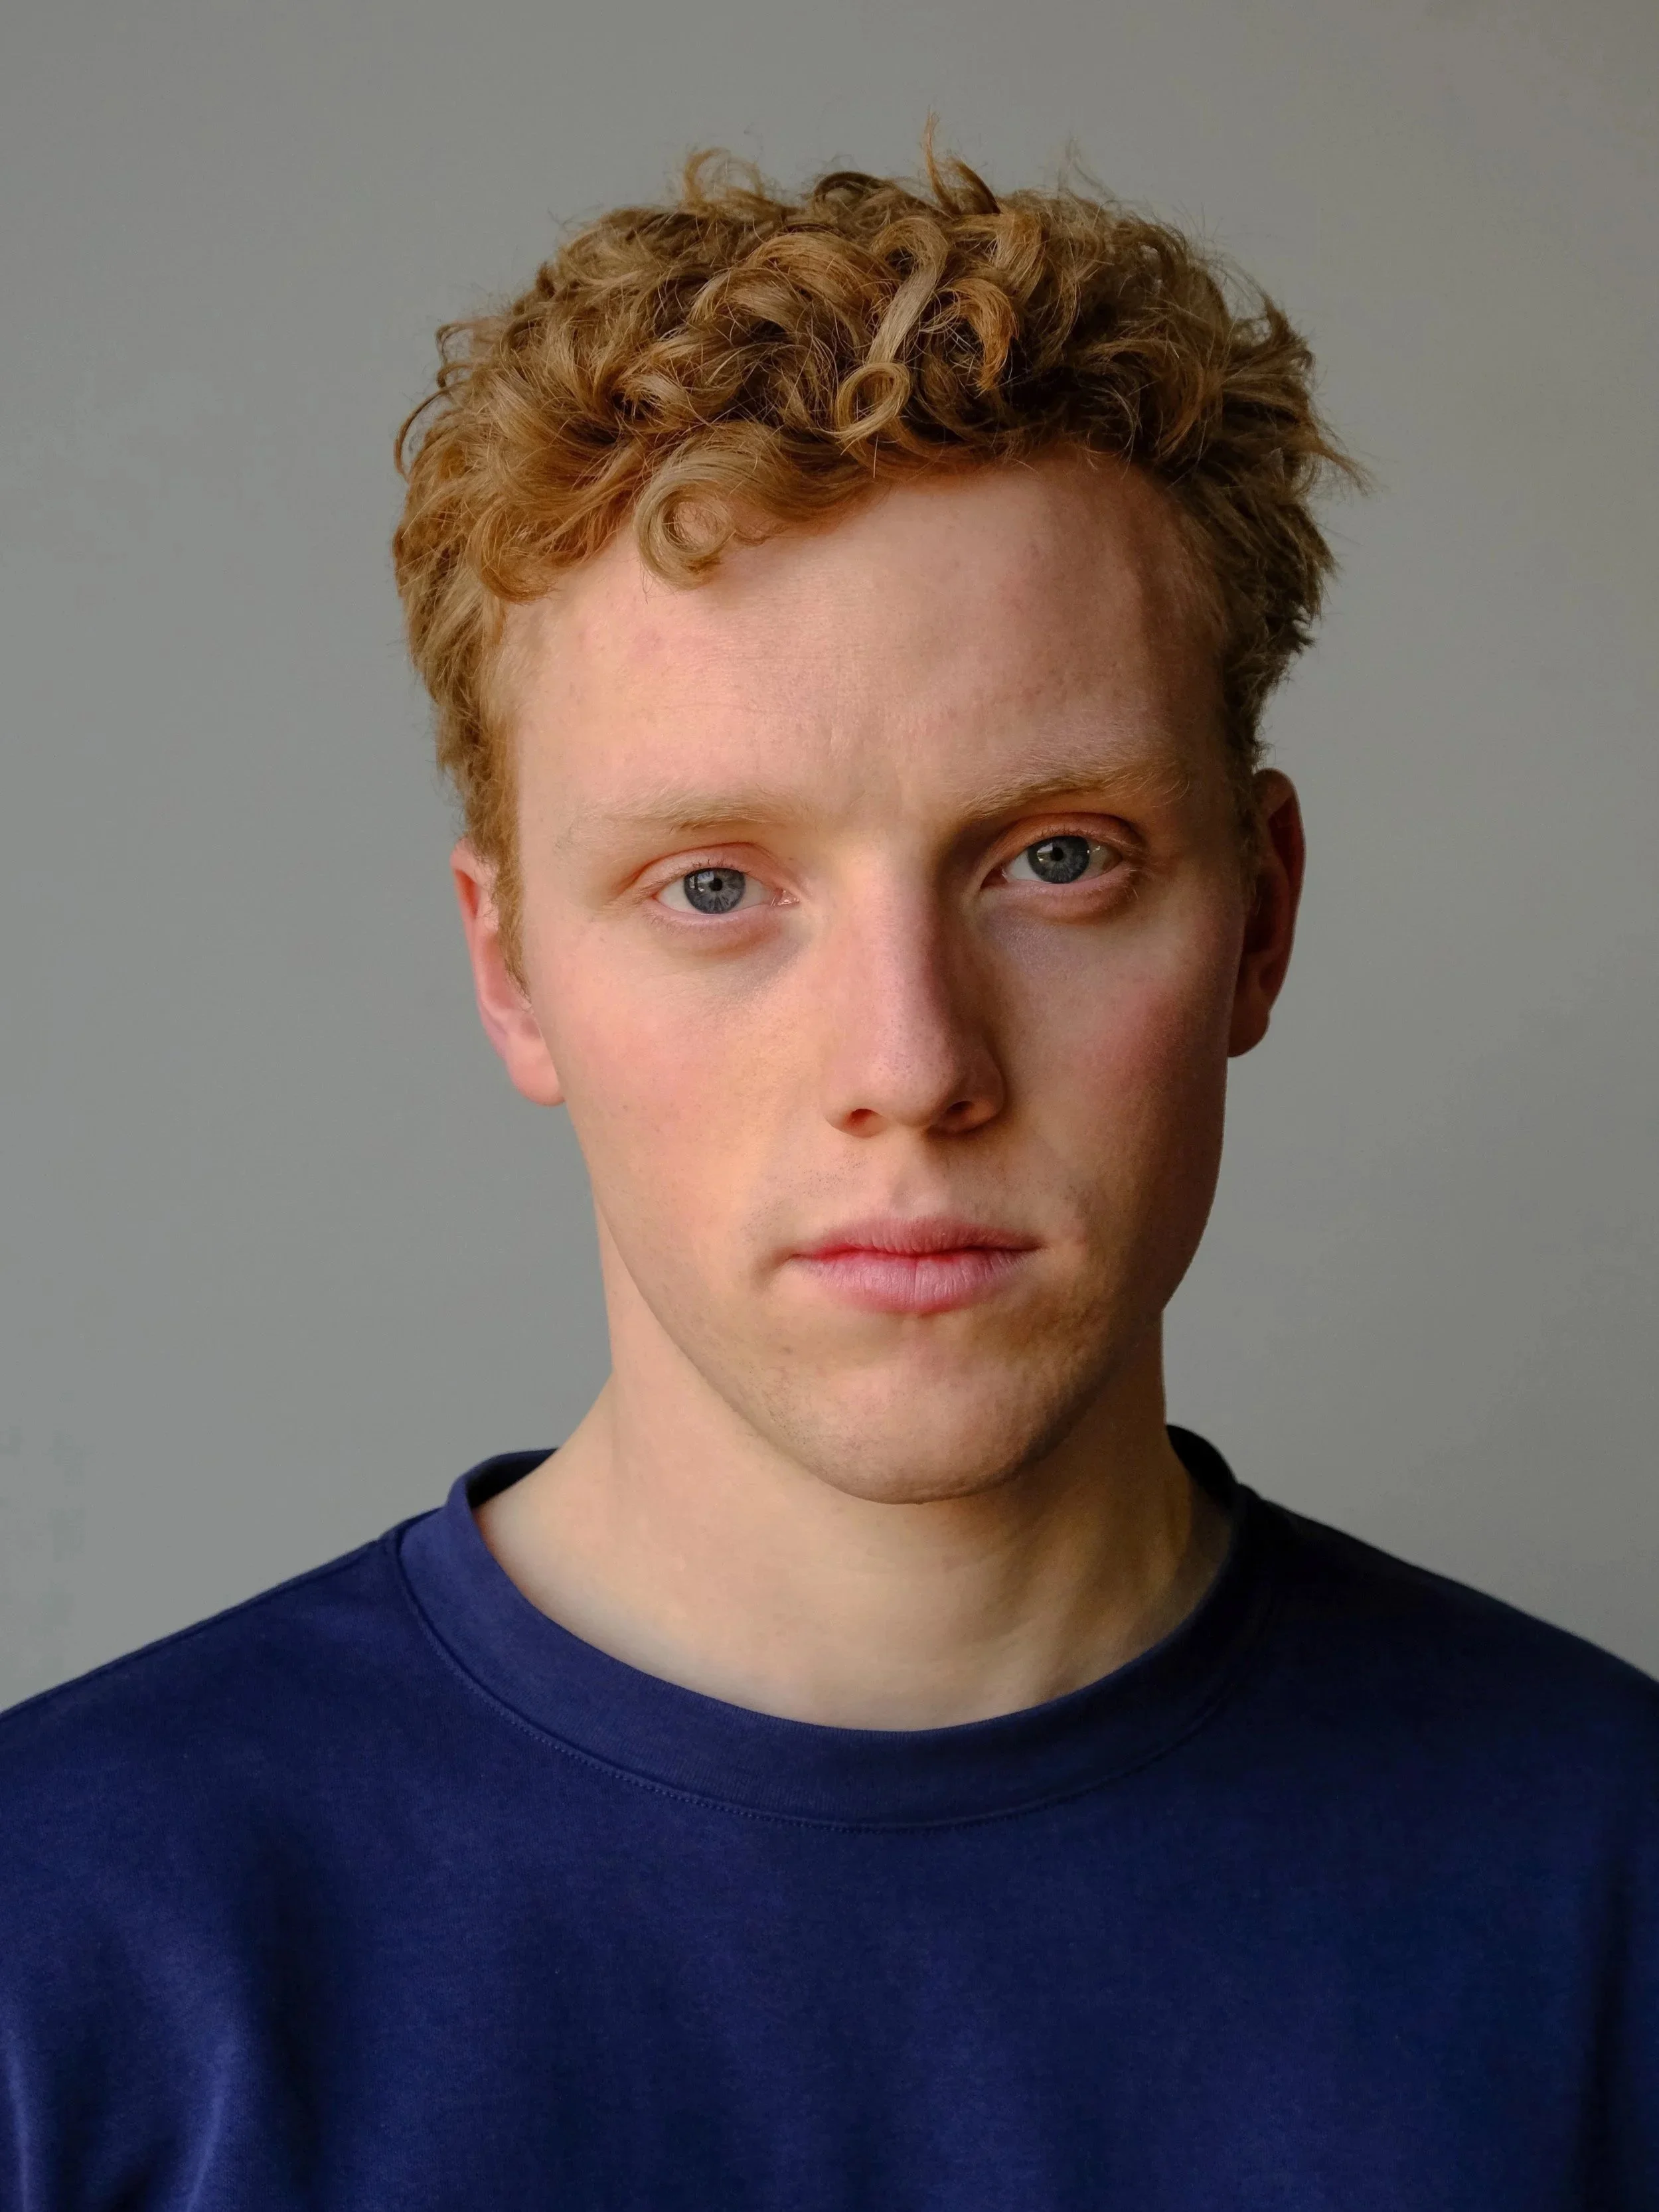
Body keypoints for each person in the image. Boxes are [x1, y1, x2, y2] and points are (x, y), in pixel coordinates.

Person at [1, 145, 1654, 2209]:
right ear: (510, 970)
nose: (912, 1065)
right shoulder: (58, 1949)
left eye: (1058, 859)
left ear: (1260, 916)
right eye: (717, 887)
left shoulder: (1617, 1897)